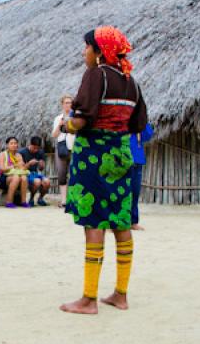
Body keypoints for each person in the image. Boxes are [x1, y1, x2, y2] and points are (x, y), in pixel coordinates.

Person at [60, 26, 147, 315]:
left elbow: (82, 119)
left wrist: (66, 124)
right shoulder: (131, 82)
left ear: (99, 52)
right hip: (121, 156)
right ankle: (121, 295)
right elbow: (138, 125)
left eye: (87, 47)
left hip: (94, 156)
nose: (84, 52)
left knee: (94, 222)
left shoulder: (96, 75)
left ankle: (88, 299)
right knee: (121, 222)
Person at [52, 95, 75, 208]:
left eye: (70, 102)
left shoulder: (75, 117)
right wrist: (60, 125)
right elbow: (54, 135)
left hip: (74, 148)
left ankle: (73, 199)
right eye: (66, 103)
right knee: (61, 174)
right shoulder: (58, 118)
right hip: (61, 147)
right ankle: (64, 200)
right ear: (62, 104)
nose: (68, 105)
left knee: (75, 174)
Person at [130, 123, 154, 231]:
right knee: (119, 192)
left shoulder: (139, 121)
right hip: (121, 159)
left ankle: (133, 222)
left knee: (135, 192)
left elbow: (148, 135)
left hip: (137, 160)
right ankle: (114, 223)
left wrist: (142, 121)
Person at [0, 137, 29, 208]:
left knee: (24, 177)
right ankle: (9, 201)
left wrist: (27, 165)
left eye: (15, 143)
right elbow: (1, 169)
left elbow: (22, 169)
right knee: (16, 178)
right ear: (7, 145)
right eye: (11, 143)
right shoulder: (2, 155)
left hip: (17, 175)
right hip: (4, 177)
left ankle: (23, 201)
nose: (14, 145)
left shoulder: (18, 155)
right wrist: (14, 166)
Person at [20, 136, 50, 206]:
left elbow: (41, 169)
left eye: (37, 148)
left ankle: (40, 198)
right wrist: (29, 164)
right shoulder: (22, 152)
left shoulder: (41, 152)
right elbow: (21, 169)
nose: (36, 150)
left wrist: (41, 165)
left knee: (47, 182)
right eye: (34, 148)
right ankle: (31, 198)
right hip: (26, 173)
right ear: (30, 144)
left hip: (35, 173)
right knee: (37, 181)